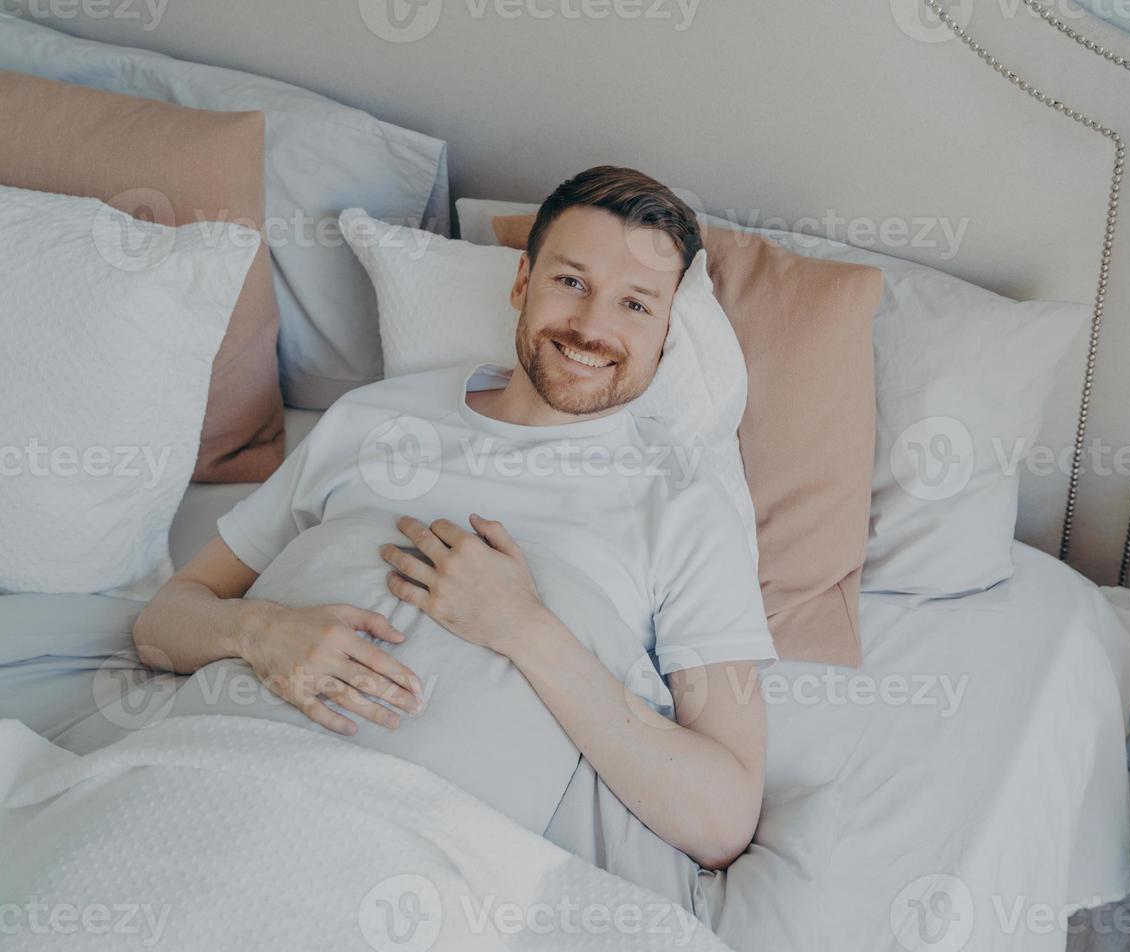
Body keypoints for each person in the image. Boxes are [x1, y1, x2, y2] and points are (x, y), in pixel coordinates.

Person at [132, 166, 774, 871]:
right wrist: (258, 632)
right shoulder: (372, 420)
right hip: (214, 783)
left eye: (635, 305)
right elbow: (162, 626)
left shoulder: (681, 502)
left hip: (417, 860)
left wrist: (522, 628)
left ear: (665, 333)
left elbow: (721, 817)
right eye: (571, 282)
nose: (592, 327)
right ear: (522, 282)